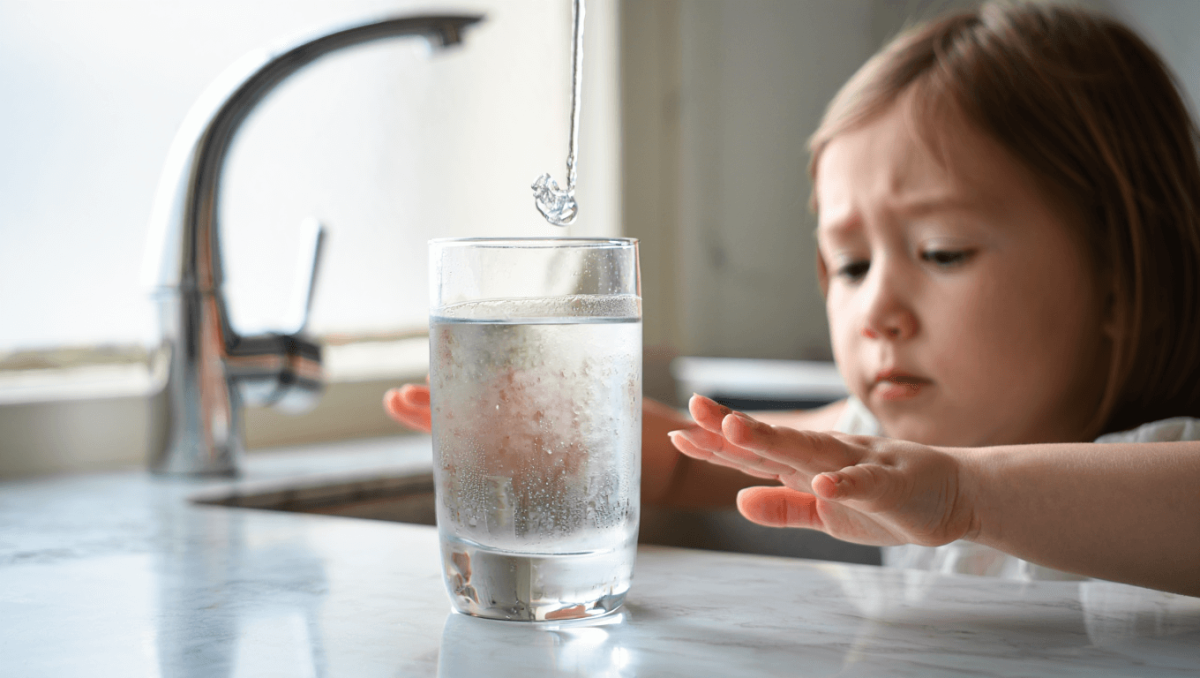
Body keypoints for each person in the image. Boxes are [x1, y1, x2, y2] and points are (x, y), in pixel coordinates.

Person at [385, 1, 1200, 597]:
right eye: (848, 266)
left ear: (1123, 282)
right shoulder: (878, 442)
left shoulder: (1166, 457)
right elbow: (704, 461)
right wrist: (573, 427)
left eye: (943, 252)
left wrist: (963, 495)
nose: (877, 310)